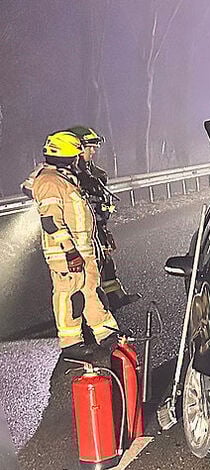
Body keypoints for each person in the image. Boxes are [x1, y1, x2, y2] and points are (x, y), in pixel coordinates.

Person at [24, 131, 119, 357]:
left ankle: (106, 333)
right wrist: (69, 252)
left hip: (82, 250)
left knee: (91, 290)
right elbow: (51, 221)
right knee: (70, 294)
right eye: (76, 154)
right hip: (66, 253)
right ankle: (71, 344)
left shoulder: (63, 178)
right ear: (67, 157)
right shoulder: (49, 181)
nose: (81, 158)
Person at [67, 125, 136, 308]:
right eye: (90, 146)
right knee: (89, 270)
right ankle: (92, 308)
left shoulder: (91, 172)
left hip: (97, 228)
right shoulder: (65, 174)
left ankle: (114, 298)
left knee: (106, 262)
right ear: (77, 147)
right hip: (80, 234)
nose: (94, 151)